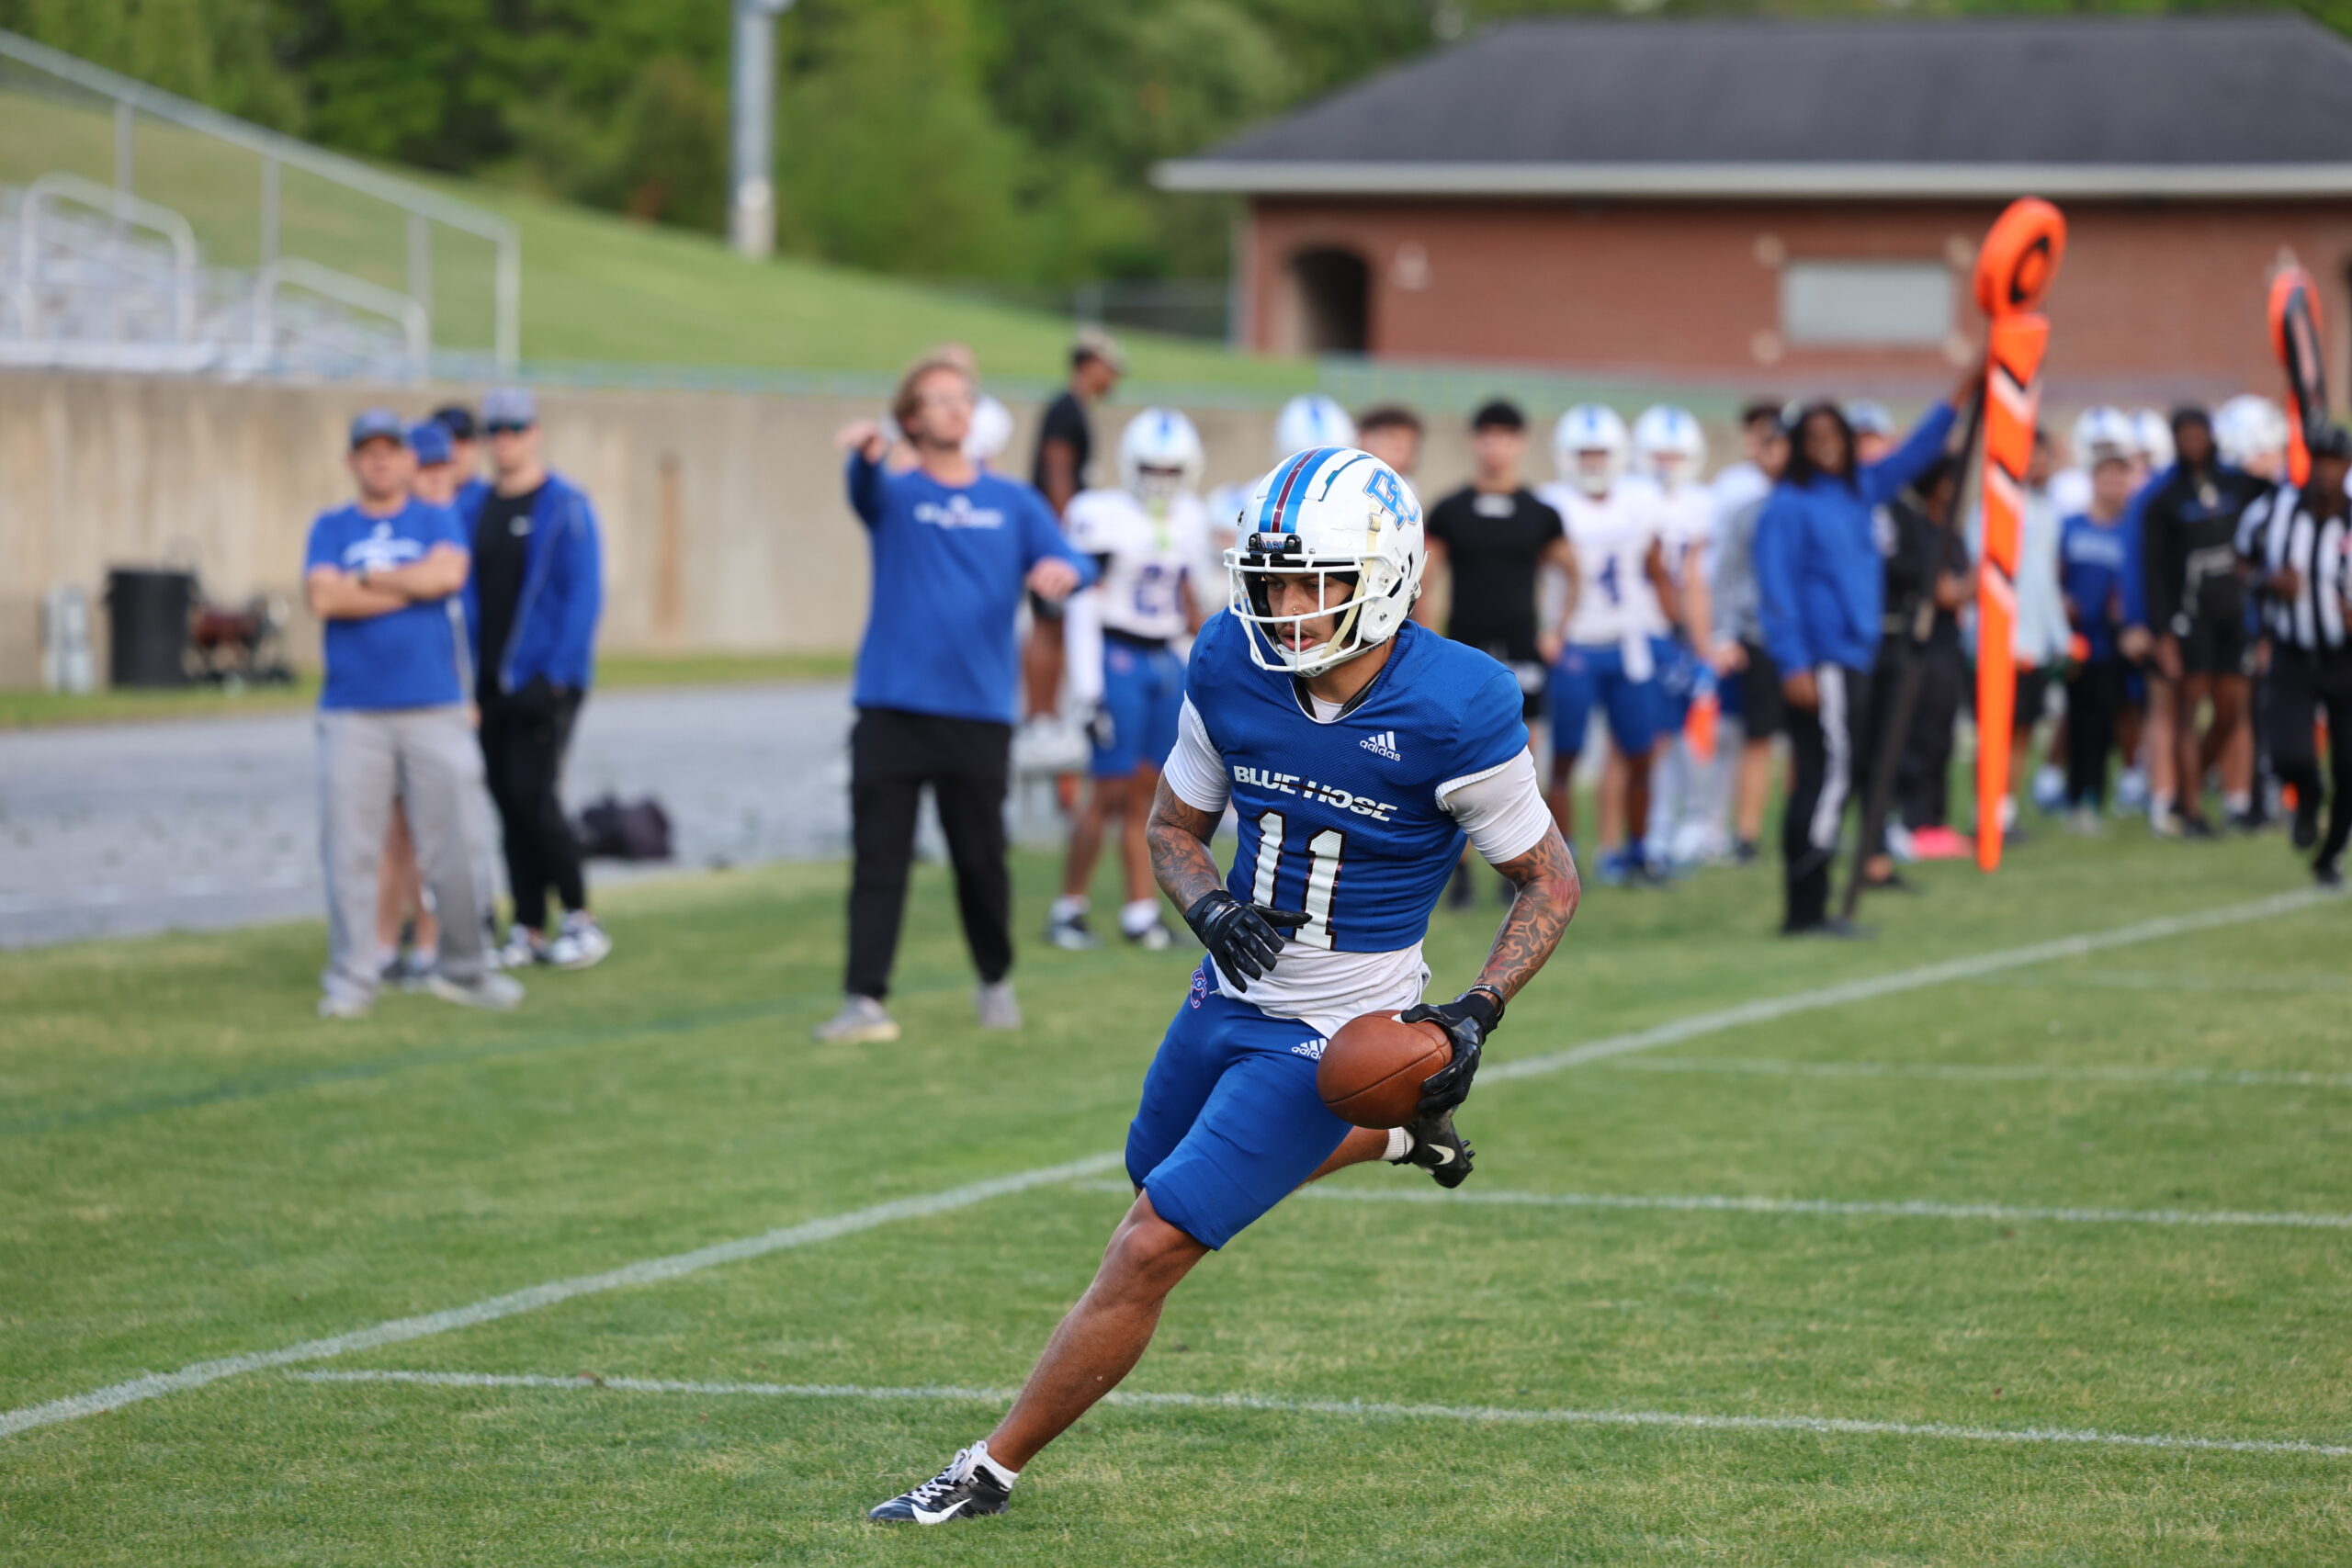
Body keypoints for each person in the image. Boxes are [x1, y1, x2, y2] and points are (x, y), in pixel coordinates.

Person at [865, 445, 1579, 1525]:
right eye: (1273, 577)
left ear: (1386, 576)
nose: (1286, 605)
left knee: (1149, 1245)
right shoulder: (1228, 661)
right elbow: (1172, 827)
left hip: (1343, 1018)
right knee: (1146, 1176)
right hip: (1224, 990)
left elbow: (1547, 879)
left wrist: (1474, 1013)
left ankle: (985, 1471)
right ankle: (1388, 1130)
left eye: (1315, 582)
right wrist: (1209, 909)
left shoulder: (1458, 702)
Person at [819, 355, 1095, 1044]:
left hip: (977, 714)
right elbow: (862, 490)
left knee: (980, 861)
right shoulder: (895, 493)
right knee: (879, 859)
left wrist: (1066, 569)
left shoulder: (1012, 502)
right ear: (911, 417)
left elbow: (1077, 558)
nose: (953, 408)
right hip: (890, 708)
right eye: (936, 400)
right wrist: (864, 454)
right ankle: (864, 999)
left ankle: (995, 980)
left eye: (961, 398)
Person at [306, 410, 517, 1018]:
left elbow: (447, 574)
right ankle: (352, 977)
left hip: (435, 705)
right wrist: (407, 584)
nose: (379, 461)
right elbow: (323, 595)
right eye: (366, 451)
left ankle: (466, 968)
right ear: (351, 461)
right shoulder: (331, 525)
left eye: (390, 450)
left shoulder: (435, 516)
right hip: (354, 712)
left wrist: (367, 579)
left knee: (457, 842)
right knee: (351, 848)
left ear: (406, 460)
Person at [1755, 370, 1969, 937]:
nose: (1827, 443)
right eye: (1815, 435)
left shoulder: (1857, 491)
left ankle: (1813, 903)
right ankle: (1806, 909)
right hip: (1819, 662)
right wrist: (1792, 662)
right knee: (1827, 779)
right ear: (1799, 444)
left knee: (1836, 775)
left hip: (1855, 658)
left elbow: (1917, 453)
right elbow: (1775, 591)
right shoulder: (1787, 505)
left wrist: (1962, 392)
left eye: (1836, 433)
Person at [461, 387, 611, 972]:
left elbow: (582, 596)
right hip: (489, 682)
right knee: (506, 800)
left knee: (536, 795)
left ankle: (580, 916)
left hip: (543, 681)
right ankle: (527, 924)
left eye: (515, 429)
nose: (505, 441)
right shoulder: (474, 508)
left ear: (535, 433)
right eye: (495, 431)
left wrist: (556, 678)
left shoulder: (564, 504)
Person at [1048, 410, 1210, 952]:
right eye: (1151, 468)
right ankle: (1068, 906)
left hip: (1164, 658)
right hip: (1116, 654)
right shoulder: (1101, 513)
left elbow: (1190, 599)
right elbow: (1080, 605)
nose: (1161, 479)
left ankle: (1140, 912)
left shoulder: (1190, 516)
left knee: (1153, 793)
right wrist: (1089, 689)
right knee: (1108, 791)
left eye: (1171, 469)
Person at [1419, 400, 1574, 908]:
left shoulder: (1541, 512)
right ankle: (1459, 874)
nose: (1496, 445)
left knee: (1526, 757)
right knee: (1456, 759)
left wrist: (1557, 629)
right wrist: (1427, 636)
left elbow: (1572, 571)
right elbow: (1424, 577)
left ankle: (1525, 868)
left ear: (1520, 443)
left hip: (1523, 649)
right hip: (1465, 649)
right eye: (1487, 435)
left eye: (1506, 435)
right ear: (1475, 441)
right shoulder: (1450, 509)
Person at [1537, 404, 1677, 882]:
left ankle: (1639, 852)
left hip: (1627, 640)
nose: (1594, 462)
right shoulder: (1551, 502)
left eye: (1602, 452)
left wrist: (1678, 632)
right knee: (1566, 757)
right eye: (1584, 453)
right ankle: (1563, 859)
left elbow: (1658, 570)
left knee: (1640, 751)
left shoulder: (1641, 499)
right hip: (1574, 643)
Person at [2139, 406, 2265, 837]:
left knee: (2231, 709)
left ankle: (2202, 778)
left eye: (2199, 435)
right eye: (2184, 436)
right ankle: (2189, 809)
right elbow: (2153, 571)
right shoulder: (2164, 499)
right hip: (2190, 620)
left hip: (2233, 616)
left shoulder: (2239, 485)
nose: (2193, 444)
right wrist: (2162, 633)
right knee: (2187, 710)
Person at [371, 418, 467, 986]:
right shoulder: (405, 527)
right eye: (423, 468)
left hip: (443, 700)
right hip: (394, 699)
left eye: (440, 468)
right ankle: (389, 939)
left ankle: (434, 940)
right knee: (396, 833)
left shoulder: (449, 525)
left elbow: (458, 617)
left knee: (438, 829)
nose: (432, 479)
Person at [2238, 423, 2352, 884]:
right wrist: (2267, 582)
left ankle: (2329, 857)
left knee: (2350, 767)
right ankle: (2307, 796)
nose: (2325, 472)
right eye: (2318, 461)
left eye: (2334, 462)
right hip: (2292, 654)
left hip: (2347, 661)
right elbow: (2241, 560)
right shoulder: (2273, 510)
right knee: (2289, 754)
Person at [1632, 403, 1725, 869]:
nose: (1667, 465)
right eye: (1659, 455)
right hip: (1643, 632)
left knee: (1694, 735)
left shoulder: (1705, 504)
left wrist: (1706, 637)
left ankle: (1696, 823)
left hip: (1687, 635)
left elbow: (1704, 579)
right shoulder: (1631, 497)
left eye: (1676, 455)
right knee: (1651, 739)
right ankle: (1657, 826)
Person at [1022, 328, 1125, 728]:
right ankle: (1040, 716)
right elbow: (1057, 470)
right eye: (1109, 368)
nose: (1113, 377)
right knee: (1048, 624)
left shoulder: (1077, 407)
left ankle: (1047, 714)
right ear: (1089, 363)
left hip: (1056, 533)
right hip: (1054, 535)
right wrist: (1064, 540)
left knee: (1059, 625)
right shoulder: (1065, 408)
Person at [1710, 405, 1792, 863]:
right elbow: (1727, 576)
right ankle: (1747, 832)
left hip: (1805, 641)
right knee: (1757, 738)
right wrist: (1726, 632)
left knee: (1807, 740)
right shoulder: (1748, 511)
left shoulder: (1811, 506)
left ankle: (1800, 824)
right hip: (1761, 638)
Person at [2058, 411, 2140, 830]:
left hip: (2116, 642)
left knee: (2111, 721)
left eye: (2120, 478)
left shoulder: (2131, 531)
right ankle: (2076, 798)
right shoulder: (2071, 526)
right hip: (2078, 641)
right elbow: (2057, 575)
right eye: (2106, 477)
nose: (2113, 486)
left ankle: (2100, 794)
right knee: (2079, 721)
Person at [430, 402, 489, 516]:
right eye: (445, 441)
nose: (454, 450)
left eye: (462, 441)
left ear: (477, 446)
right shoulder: (407, 502)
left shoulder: (490, 499)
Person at [1354, 403, 1424, 479]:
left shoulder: (1406, 486)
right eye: (1394, 446)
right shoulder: (1343, 469)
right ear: (1363, 437)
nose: (1402, 458)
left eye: (1410, 450)